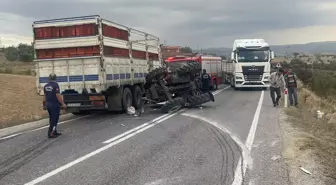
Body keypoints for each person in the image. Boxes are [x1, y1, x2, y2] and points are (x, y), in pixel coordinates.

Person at [43, 73, 66, 138]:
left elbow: (44, 96)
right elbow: (58, 95)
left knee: (51, 118)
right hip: (54, 104)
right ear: (55, 78)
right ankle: (51, 133)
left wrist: (44, 104)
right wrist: (63, 103)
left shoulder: (46, 86)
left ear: (49, 78)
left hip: (48, 104)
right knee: (55, 119)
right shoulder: (56, 85)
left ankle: (54, 131)